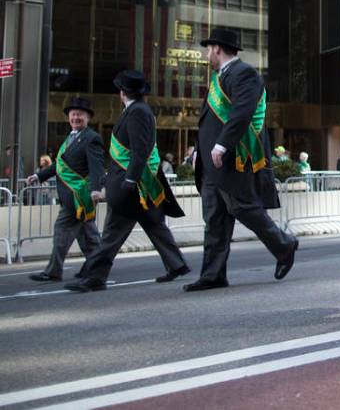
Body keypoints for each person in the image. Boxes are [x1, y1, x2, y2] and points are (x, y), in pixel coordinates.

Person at [187, 28, 299, 291]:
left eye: (208, 49)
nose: (206, 54)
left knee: (242, 208)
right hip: (212, 162)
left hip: (233, 158)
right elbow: (209, 122)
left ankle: (284, 246)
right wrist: (197, 152)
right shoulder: (219, 78)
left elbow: (242, 112)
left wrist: (222, 145)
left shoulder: (244, 74)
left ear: (217, 48)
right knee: (214, 217)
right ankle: (213, 274)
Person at [65, 71, 189, 292]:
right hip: (136, 184)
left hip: (131, 186)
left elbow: (139, 151)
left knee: (111, 235)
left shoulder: (137, 113)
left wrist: (129, 180)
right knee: (154, 225)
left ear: (122, 93)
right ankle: (176, 264)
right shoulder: (136, 110)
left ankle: (95, 277)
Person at [26, 98, 103, 282]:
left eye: (80, 115)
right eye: (73, 114)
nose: (76, 118)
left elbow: (96, 167)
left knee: (62, 229)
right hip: (71, 196)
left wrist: (96, 189)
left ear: (88, 118)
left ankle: (53, 271)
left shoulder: (91, 138)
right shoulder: (70, 137)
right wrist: (39, 176)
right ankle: (97, 266)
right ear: (69, 117)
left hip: (78, 196)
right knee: (89, 237)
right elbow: (59, 166)